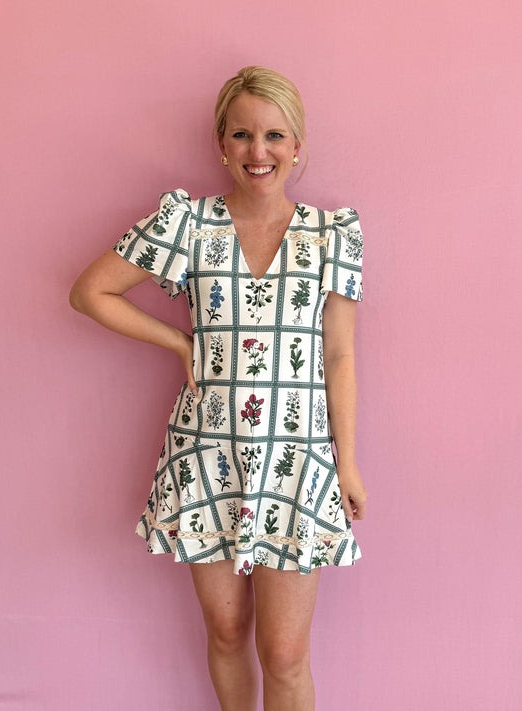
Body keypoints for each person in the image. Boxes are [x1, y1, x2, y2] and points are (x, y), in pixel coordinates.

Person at [70, 65, 368, 711]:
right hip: (206, 453)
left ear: (297, 146)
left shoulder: (331, 236)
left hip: (296, 460)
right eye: (241, 134)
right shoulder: (189, 224)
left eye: (274, 135)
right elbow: (90, 292)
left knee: (284, 652)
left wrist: (346, 462)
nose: (258, 150)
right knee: (227, 631)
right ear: (221, 144)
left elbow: (339, 354)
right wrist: (179, 342)